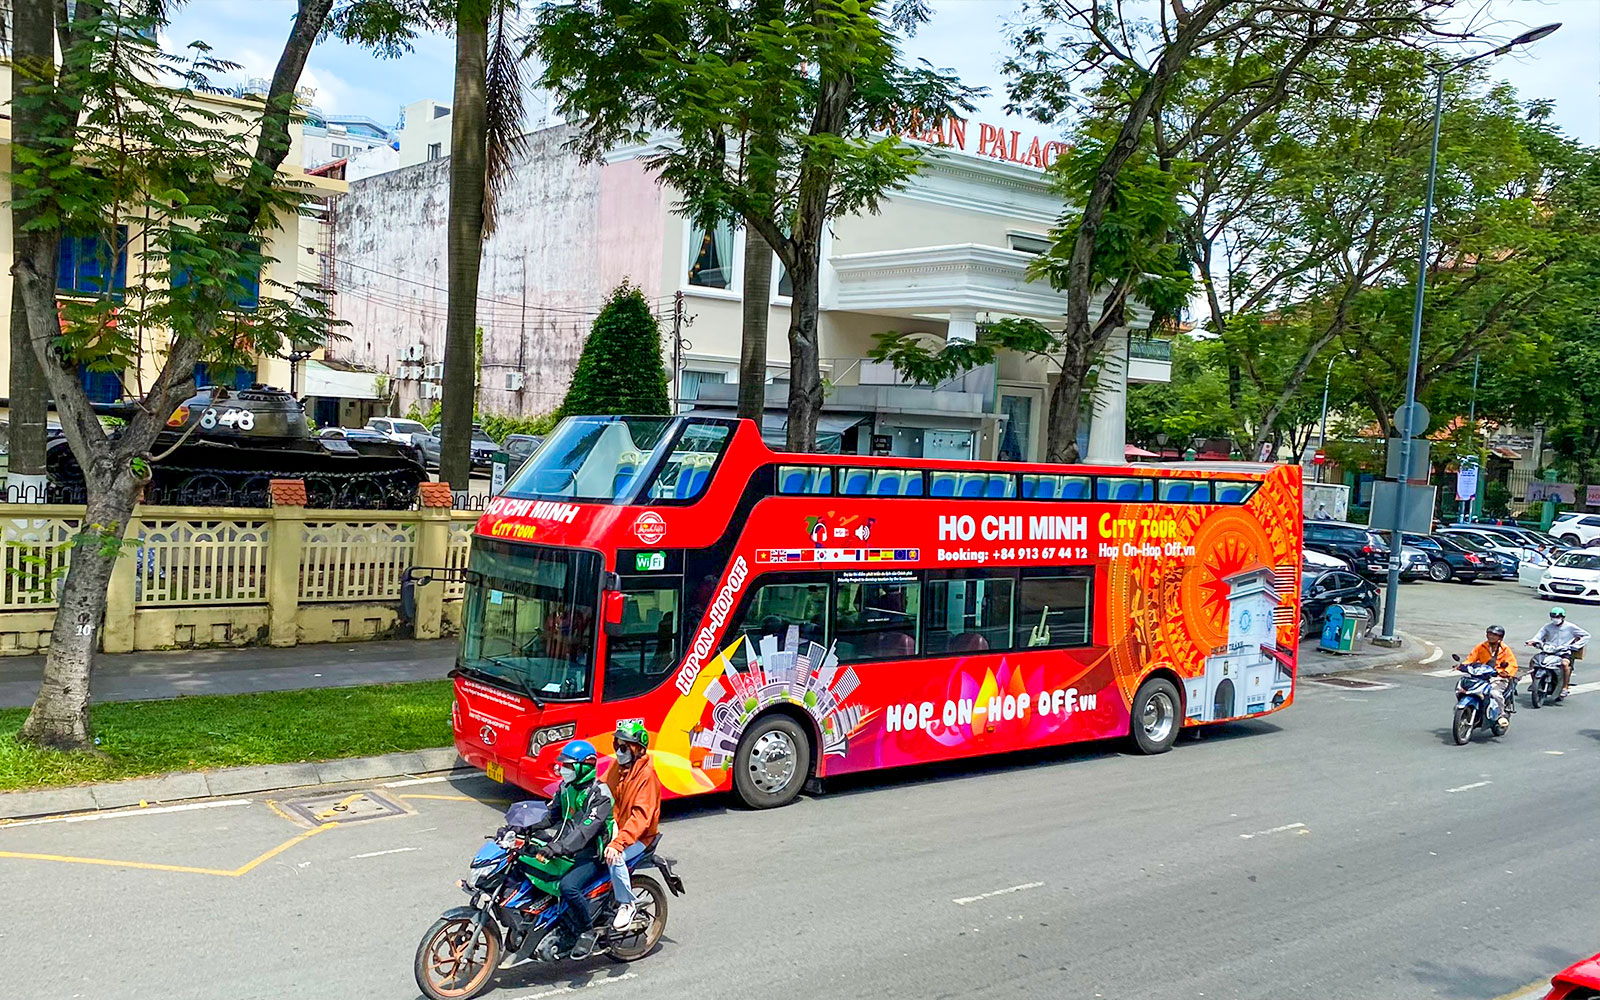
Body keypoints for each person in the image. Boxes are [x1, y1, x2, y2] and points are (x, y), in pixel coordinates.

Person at [525, 740, 614, 959]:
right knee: (527, 865)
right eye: (563, 765)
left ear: (585, 766)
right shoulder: (566, 788)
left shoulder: (599, 795)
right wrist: (523, 826)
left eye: (568, 765)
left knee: (568, 887)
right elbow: (550, 816)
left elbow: (585, 831)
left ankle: (586, 931)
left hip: (590, 854)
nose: (563, 769)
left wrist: (558, 847)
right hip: (566, 848)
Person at [603, 721, 662, 932]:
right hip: (617, 828)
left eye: (624, 747)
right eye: (617, 746)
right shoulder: (617, 768)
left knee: (615, 858)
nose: (619, 752)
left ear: (638, 749)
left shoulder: (647, 777)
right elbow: (603, 792)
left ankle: (627, 904)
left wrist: (618, 843)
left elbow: (640, 818)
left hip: (639, 837)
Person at [1526, 606, 1590, 699]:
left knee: (1565, 664)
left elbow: (1586, 635)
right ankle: (1534, 683)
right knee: (1533, 662)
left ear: (1563, 617)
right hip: (1548, 650)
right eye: (1553, 617)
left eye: (1557, 617)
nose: (1555, 619)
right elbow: (1538, 636)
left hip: (1563, 652)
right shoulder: (1547, 627)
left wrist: (1575, 646)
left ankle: (1565, 687)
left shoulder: (1570, 627)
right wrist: (1532, 642)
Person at [1466, 624, 1518, 722]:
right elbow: (1470, 659)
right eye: (1489, 634)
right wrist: (1462, 666)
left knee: (1494, 693)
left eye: (1494, 635)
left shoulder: (1505, 650)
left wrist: (1506, 672)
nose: (1491, 636)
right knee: (1466, 689)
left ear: (1500, 637)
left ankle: (1501, 715)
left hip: (1498, 678)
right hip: (1481, 676)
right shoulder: (1480, 647)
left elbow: (1512, 664)